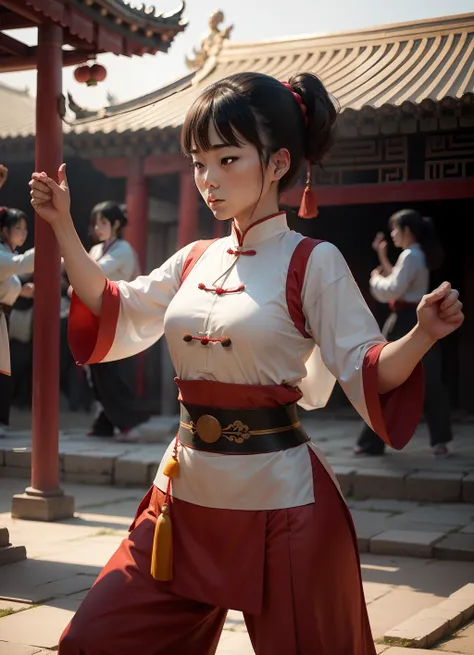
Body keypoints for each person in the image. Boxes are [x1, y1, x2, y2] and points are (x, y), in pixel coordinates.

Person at [29, 72, 464, 655]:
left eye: (227, 158)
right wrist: (62, 225)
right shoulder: (192, 259)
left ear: (280, 162)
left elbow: (368, 365)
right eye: (198, 162)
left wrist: (423, 334)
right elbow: (116, 307)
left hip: (282, 503)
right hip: (182, 498)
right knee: (95, 641)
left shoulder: (313, 261)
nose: (208, 179)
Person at [355, 209, 454, 458]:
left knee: (383, 379)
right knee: (429, 380)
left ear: (407, 231)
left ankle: (371, 443)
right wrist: (382, 255)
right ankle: (440, 441)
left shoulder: (411, 255)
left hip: (405, 322)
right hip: (415, 320)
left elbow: (393, 289)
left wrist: (375, 279)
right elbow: (399, 280)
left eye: (396, 229)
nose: (393, 233)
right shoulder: (414, 255)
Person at [84, 201, 144, 440]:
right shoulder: (96, 249)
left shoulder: (123, 250)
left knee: (111, 372)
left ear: (116, 224)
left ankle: (127, 422)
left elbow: (95, 272)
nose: (97, 228)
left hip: (118, 315)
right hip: (96, 316)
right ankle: (105, 423)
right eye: (96, 223)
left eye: (103, 223)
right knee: (96, 372)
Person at [0, 207, 34, 436]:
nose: (22, 234)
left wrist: (21, 289)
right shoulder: (4, 254)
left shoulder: (8, 254)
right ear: (4, 231)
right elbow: (21, 264)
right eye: (17, 228)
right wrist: (50, 240)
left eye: (25, 229)